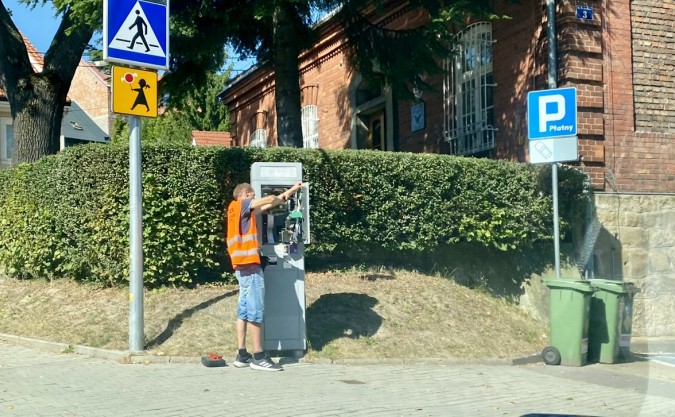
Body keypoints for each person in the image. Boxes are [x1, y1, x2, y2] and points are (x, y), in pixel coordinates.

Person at [226, 181, 304, 371]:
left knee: (244, 310)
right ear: (245, 193)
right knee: (255, 310)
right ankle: (258, 356)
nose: (254, 198)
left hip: (241, 266)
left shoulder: (240, 213)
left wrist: (292, 191)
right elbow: (268, 199)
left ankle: (242, 354)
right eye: (253, 195)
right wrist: (274, 198)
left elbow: (270, 204)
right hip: (250, 266)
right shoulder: (240, 204)